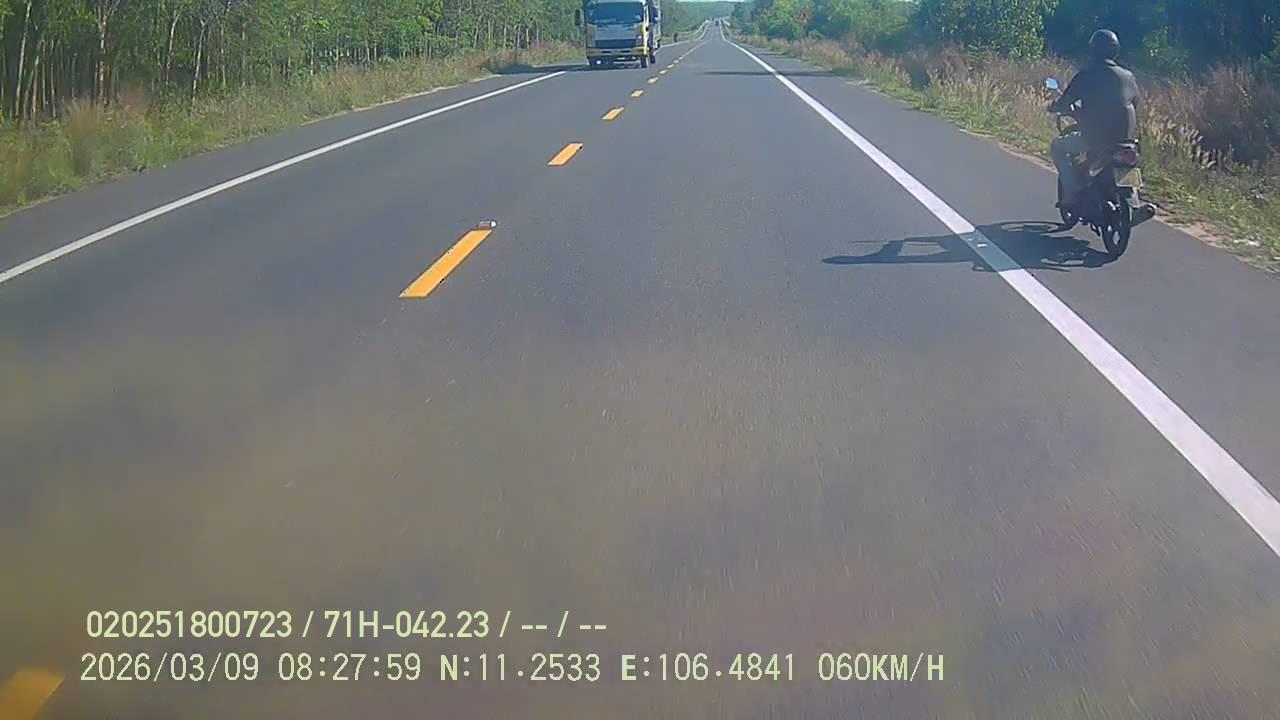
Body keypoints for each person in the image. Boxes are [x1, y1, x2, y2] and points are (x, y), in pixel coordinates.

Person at [1048, 30, 1142, 210]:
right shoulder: (1128, 76)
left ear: (1093, 50)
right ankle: (1133, 203)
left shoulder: (1086, 75)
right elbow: (1135, 103)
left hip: (1094, 140)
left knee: (1057, 147)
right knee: (1127, 166)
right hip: (1127, 142)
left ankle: (1071, 193)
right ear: (1115, 51)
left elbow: (1064, 102)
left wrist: (1054, 107)